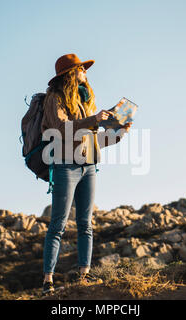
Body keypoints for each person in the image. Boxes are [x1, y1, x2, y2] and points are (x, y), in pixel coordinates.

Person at [40, 53, 132, 294]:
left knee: (85, 223)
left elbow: (93, 139)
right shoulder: (54, 98)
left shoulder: (85, 100)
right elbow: (60, 129)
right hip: (65, 166)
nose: (86, 72)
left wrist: (117, 134)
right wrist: (93, 119)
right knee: (58, 225)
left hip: (89, 165)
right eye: (82, 69)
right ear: (71, 73)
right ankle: (48, 280)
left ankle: (85, 275)